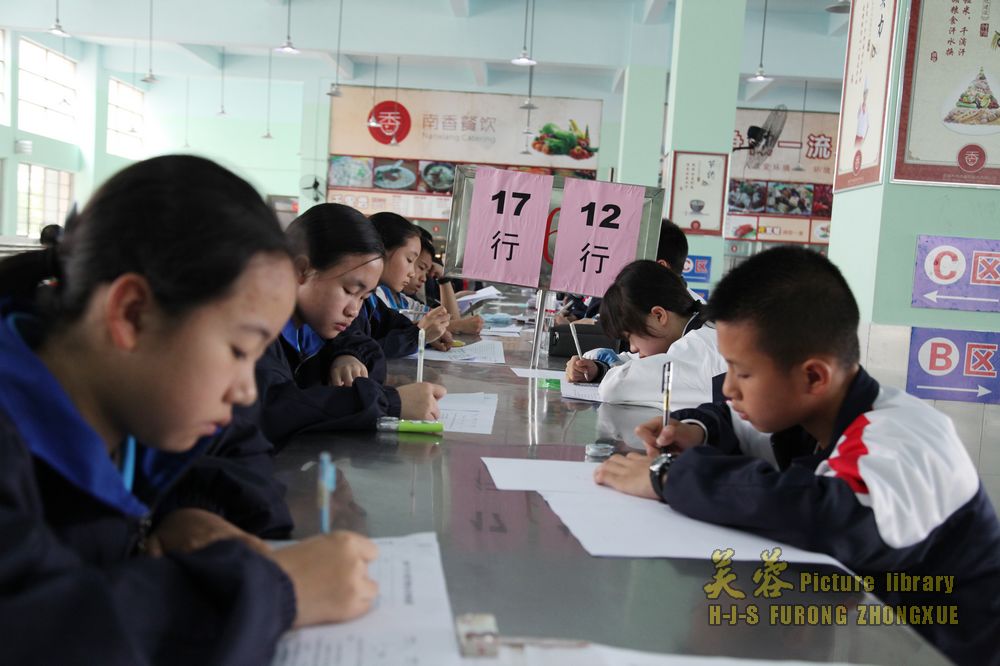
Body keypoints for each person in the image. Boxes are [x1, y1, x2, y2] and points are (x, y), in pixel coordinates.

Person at [0, 155, 379, 664]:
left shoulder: (148, 402)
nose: (246, 391)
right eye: (239, 351)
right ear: (133, 314)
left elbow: (239, 449)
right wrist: (275, 591)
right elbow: (35, 629)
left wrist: (195, 508)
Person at [594, 246, 1000, 666]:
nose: (728, 388)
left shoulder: (904, 436)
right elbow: (730, 419)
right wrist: (695, 430)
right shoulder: (805, 411)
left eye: (742, 373)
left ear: (813, 376)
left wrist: (668, 476)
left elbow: (826, 512)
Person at [255, 203, 446, 448]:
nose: (354, 310)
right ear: (302, 270)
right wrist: (390, 402)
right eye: (349, 291)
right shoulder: (255, 334)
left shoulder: (316, 326)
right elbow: (275, 410)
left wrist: (346, 354)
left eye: (363, 298)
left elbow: (369, 350)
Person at [564, 261, 725, 409]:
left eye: (631, 336)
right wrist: (597, 369)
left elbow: (615, 387)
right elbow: (640, 363)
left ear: (659, 316)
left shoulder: (698, 349)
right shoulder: (699, 327)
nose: (633, 348)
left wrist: (605, 374)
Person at [358, 212, 451, 356]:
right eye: (409, 260)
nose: (412, 273)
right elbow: (359, 351)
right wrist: (419, 335)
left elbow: (394, 326)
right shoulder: (361, 299)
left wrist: (423, 333)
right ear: (380, 249)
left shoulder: (374, 301)